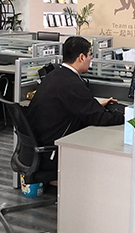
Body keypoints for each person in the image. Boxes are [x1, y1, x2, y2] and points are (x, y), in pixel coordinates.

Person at [27, 36, 124, 170]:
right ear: (81, 57)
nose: (90, 59)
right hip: (52, 149)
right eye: (90, 55)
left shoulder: (55, 75)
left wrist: (97, 105)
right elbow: (99, 118)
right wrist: (125, 116)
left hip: (40, 141)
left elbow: (72, 106)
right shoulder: (72, 83)